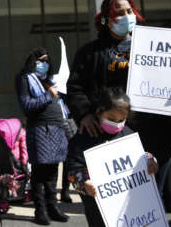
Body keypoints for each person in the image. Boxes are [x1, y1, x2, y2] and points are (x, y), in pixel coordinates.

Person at [66, 0, 171, 199]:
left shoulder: (155, 46)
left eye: (129, 11)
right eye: (119, 13)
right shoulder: (90, 52)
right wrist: (84, 114)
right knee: (119, 197)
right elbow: (75, 87)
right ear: (106, 19)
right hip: (113, 132)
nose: (127, 16)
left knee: (152, 196)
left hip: (156, 133)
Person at [67, 87, 158, 227]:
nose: (117, 123)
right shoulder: (82, 139)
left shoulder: (128, 133)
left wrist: (150, 160)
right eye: (111, 118)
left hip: (131, 207)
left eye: (122, 119)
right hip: (99, 209)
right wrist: (84, 183)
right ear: (99, 112)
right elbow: (73, 170)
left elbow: (140, 154)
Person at [15, 47, 69, 225]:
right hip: (40, 128)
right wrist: (48, 95)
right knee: (39, 171)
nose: (44, 64)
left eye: (46, 60)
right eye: (40, 60)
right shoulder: (25, 79)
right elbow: (27, 105)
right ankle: (40, 210)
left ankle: (53, 207)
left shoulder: (52, 80)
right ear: (32, 61)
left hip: (56, 127)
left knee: (53, 170)